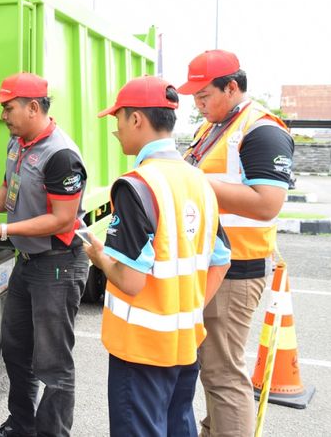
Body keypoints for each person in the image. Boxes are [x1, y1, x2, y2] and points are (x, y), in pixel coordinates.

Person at [84, 75, 231, 437]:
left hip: (141, 352)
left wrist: (98, 255)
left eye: (118, 120)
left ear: (136, 119)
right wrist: (188, 309)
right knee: (179, 426)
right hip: (185, 344)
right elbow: (222, 258)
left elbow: (131, 280)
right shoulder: (199, 181)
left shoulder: (136, 186)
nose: (116, 131)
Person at [0, 72, 88, 437]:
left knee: (53, 363)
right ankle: (22, 426)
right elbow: (7, 188)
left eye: (8, 108)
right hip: (28, 263)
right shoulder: (19, 143)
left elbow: (62, 220)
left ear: (33, 107)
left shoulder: (61, 155)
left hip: (58, 265)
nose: (3, 116)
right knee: (16, 349)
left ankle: (51, 433)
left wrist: (5, 230)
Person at [177, 50, 294, 437]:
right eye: (194, 97)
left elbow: (267, 203)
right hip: (211, 265)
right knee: (211, 369)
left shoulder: (261, 130)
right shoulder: (212, 128)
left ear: (232, 87)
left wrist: (193, 181)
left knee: (223, 373)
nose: (198, 104)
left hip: (237, 269)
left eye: (204, 95)